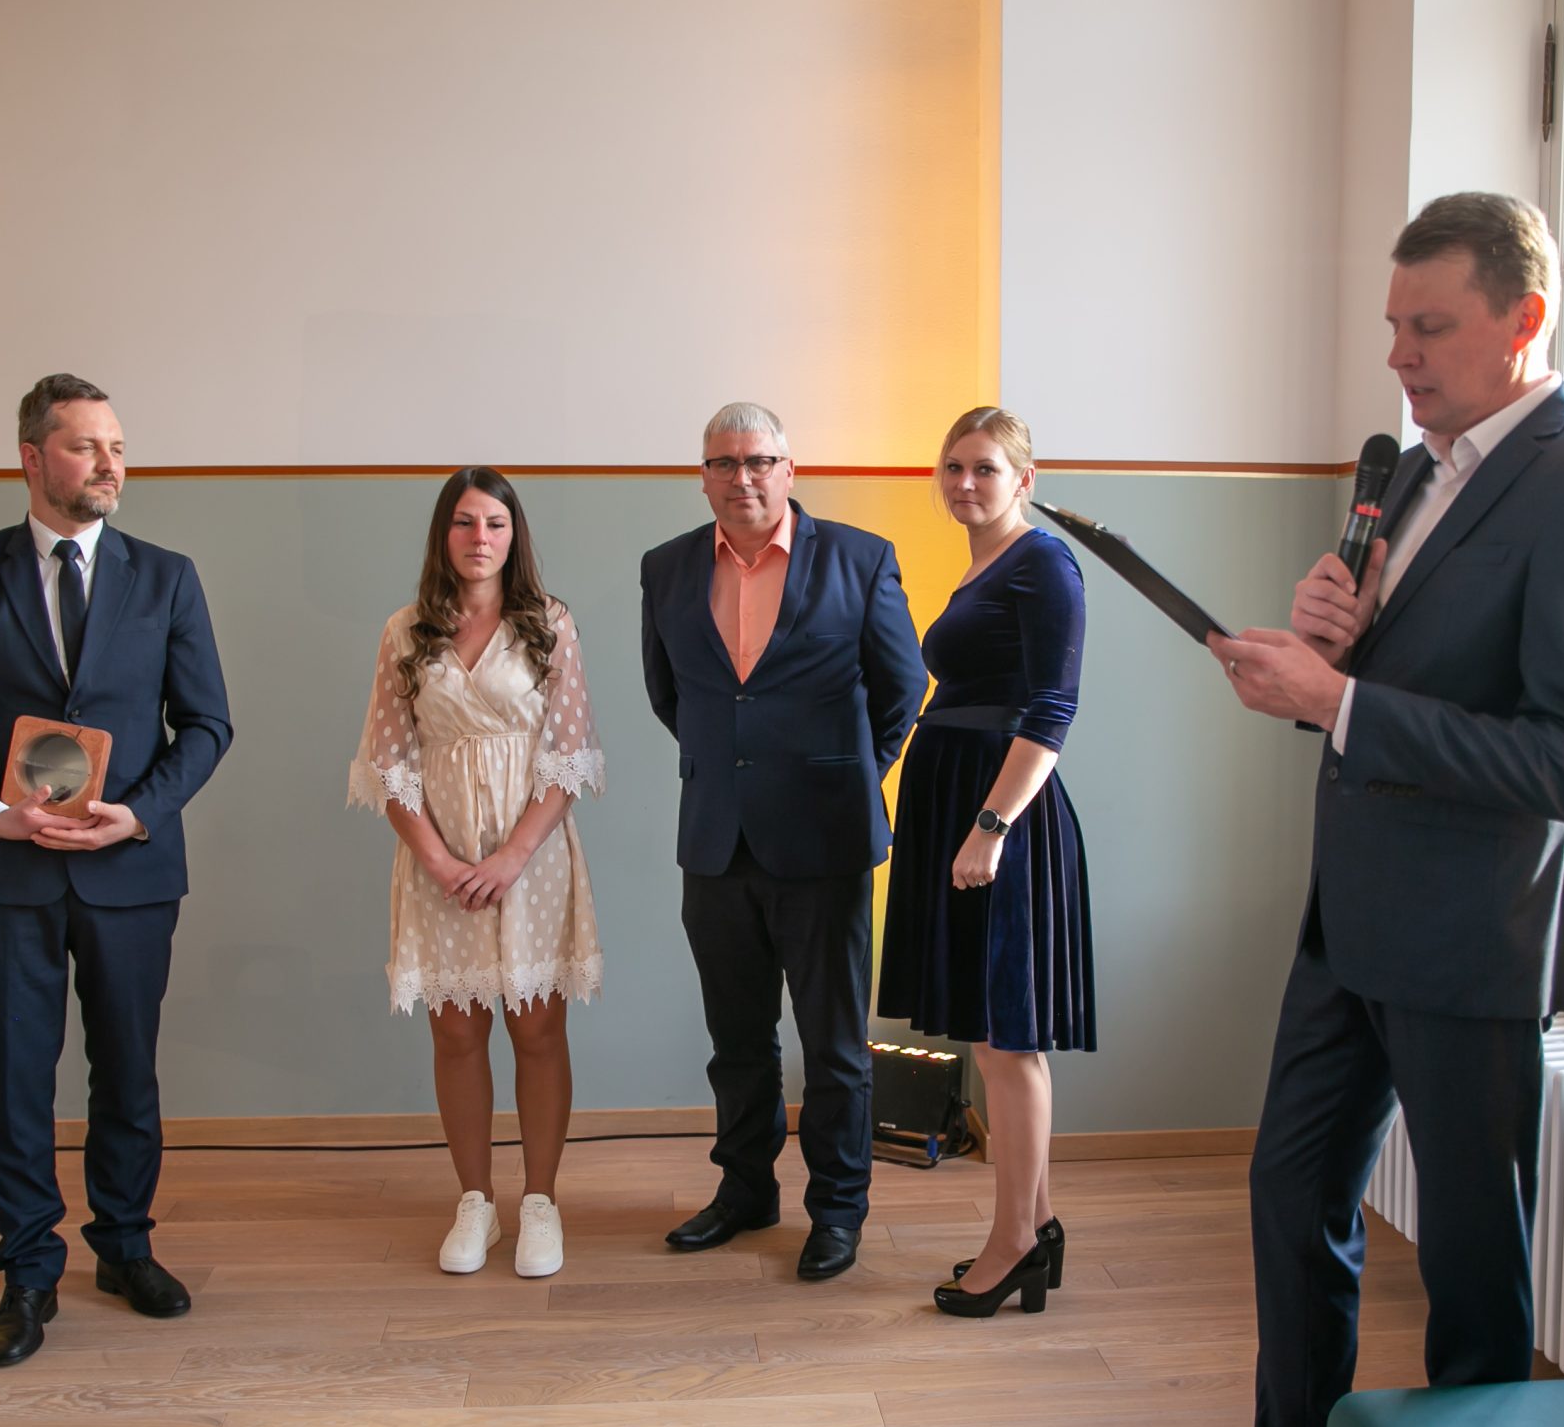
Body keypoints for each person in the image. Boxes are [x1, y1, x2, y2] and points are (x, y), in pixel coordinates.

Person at [1137, 193, 1564, 1427]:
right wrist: (1326, 650)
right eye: (1393, 325)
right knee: (1289, 1197)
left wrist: (1344, 698)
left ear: (1524, 320)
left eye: (1429, 327)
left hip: (1469, 941)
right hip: (1348, 923)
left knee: (1474, 1281)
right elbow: (1397, 694)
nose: (1399, 356)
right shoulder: (1415, 475)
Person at [0, 374, 233, 1368]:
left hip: (130, 868)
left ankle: (124, 1247)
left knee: (127, 1068)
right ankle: (28, 1269)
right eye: (88, 446)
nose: (109, 465)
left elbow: (206, 724)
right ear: (32, 457)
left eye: (117, 447)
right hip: (10, 871)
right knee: (16, 1076)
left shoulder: (166, 577)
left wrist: (139, 813)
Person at [641, 401, 926, 1281]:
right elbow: (670, 695)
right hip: (715, 840)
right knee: (737, 1041)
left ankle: (837, 1210)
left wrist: (846, 776)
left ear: (789, 470)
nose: (743, 477)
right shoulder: (667, 567)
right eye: (724, 463)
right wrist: (737, 774)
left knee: (833, 1047)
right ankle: (745, 1191)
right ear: (703, 478)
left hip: (825, 842)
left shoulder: (859, 559)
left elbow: (902, 686)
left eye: (759, 460)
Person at [350, 467, 604, 1277]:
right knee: (456, 1032)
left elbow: (570, 755)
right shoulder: (405, 631)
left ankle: (540, 1202)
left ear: (513, 534)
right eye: (464, 522)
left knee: (538, 1028)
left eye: (495, 522)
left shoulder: (549, 625)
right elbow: (387, 762)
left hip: (532, 858)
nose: (480, 537)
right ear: (444, 534)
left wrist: (511, 855)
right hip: (440, 860)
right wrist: (438, 858)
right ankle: (475, 1201)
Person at [876, 406, 1093, 1318]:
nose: (965, 483)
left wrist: (992, 824)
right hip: (965, 804)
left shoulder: (1044, 562)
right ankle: (1034, 1224)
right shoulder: (987, 565)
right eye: (954, 467)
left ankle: (1012, 1245)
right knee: (992, 1035)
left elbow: (1052, 709)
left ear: (1024, 481)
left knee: (1009, 1040)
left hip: (1003, 815)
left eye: (986, 468)